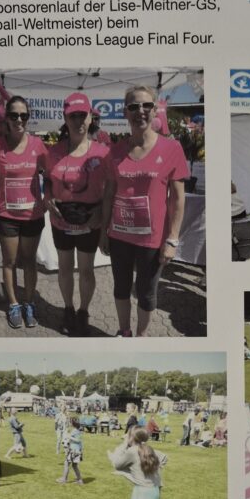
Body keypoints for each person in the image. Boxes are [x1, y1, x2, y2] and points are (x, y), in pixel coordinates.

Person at [100, 86, 188, 337]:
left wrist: (172, 239)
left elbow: (178, 199)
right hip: (119, 236)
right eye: (134, 106)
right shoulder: (115, 152)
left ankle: (141, 336)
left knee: (147, 293)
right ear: (125, 112)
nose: (141, 111)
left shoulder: (172, 149)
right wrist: (104, 231)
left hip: (152, 239)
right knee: (121, 287)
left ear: (154, 109)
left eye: (146, 105)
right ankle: (124, 331)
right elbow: (109, 194)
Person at [44, 93, 109, 337]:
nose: (79, 121)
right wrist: (47, 197)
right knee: (64, 267)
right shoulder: (54, 152)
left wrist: (101, 215)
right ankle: (68, 308)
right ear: (65, 118)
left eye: (83, 115)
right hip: (61, 219)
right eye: (73, 116)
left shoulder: (102, 153)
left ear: (91, 117)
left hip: (89, 219)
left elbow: (110, 189)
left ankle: (83, 311)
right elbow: (47, 181)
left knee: (86, 270)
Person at [0, 95, 48, 330]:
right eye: (14, 115)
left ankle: (29, 302)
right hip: (6, 216)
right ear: (7, 118)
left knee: (29, 261)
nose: (19, 119)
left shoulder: (38, 145)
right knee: (10, 261)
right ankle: (13, 304)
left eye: (24, 115)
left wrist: (48, 198)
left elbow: (52, 174)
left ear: (28, 118)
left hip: (32, 215)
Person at [57, 418, 83, 485]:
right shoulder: (78, 430)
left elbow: (78, 440)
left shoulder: (75, 431)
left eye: (71, 422)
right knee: (74, 466)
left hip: (74, 450)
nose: (70, 423)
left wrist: (69, 437)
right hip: (77, 450)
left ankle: (64, 479)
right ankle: (80, 480)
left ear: (73, 424)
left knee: (66, 464)